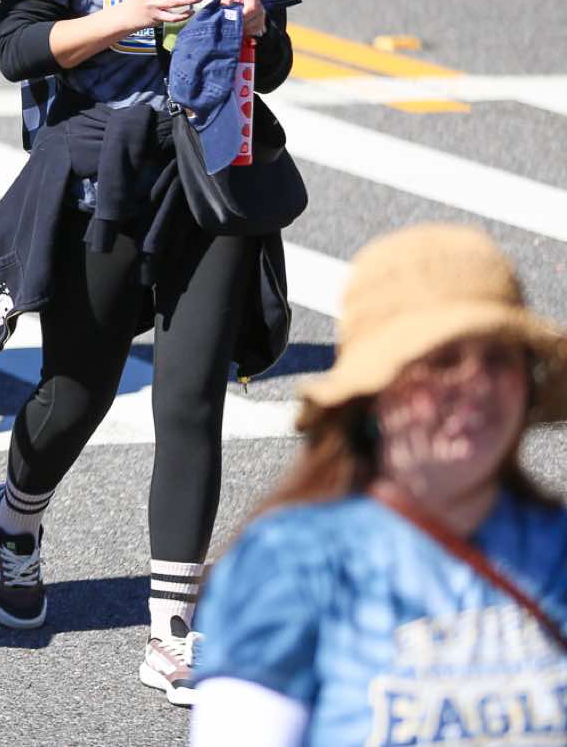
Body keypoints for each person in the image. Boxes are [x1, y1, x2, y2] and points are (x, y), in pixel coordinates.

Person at [0, 0, 302, 705]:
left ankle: (172, 633)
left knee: (190, 397)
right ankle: (17, 513)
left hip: (211, 177)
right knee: (76, 390)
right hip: (99, 178)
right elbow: (15, 47)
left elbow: (280, 59)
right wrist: (127, 14)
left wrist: (256, 23)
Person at [193, 224, 567, 745]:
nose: (477, 385)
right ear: (374, 391)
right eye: (441, 360)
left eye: (500, 358)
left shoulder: (556, 548)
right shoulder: (290, 564)